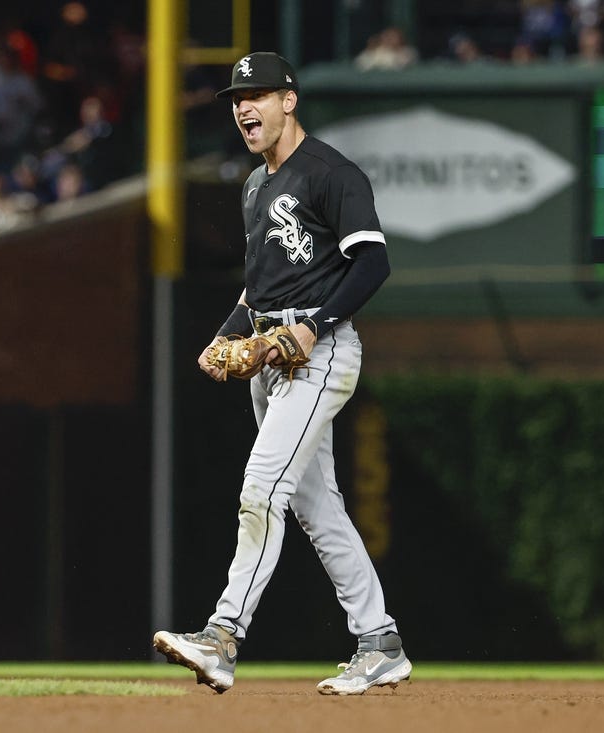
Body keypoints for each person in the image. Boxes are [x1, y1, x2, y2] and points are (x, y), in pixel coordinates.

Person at [152, 53, 411, 696]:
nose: (245, 107)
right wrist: (226, 334)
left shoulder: (331, 174)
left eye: (259, 94)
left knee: (261, 489)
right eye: (238, 98)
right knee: (317, 508)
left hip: (318, 353)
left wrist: (311, 326)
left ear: (288, 100)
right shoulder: (253, 187)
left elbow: (373, 264)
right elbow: (258, 289)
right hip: (270, 354)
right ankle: (380, 642)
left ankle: (222, 636)